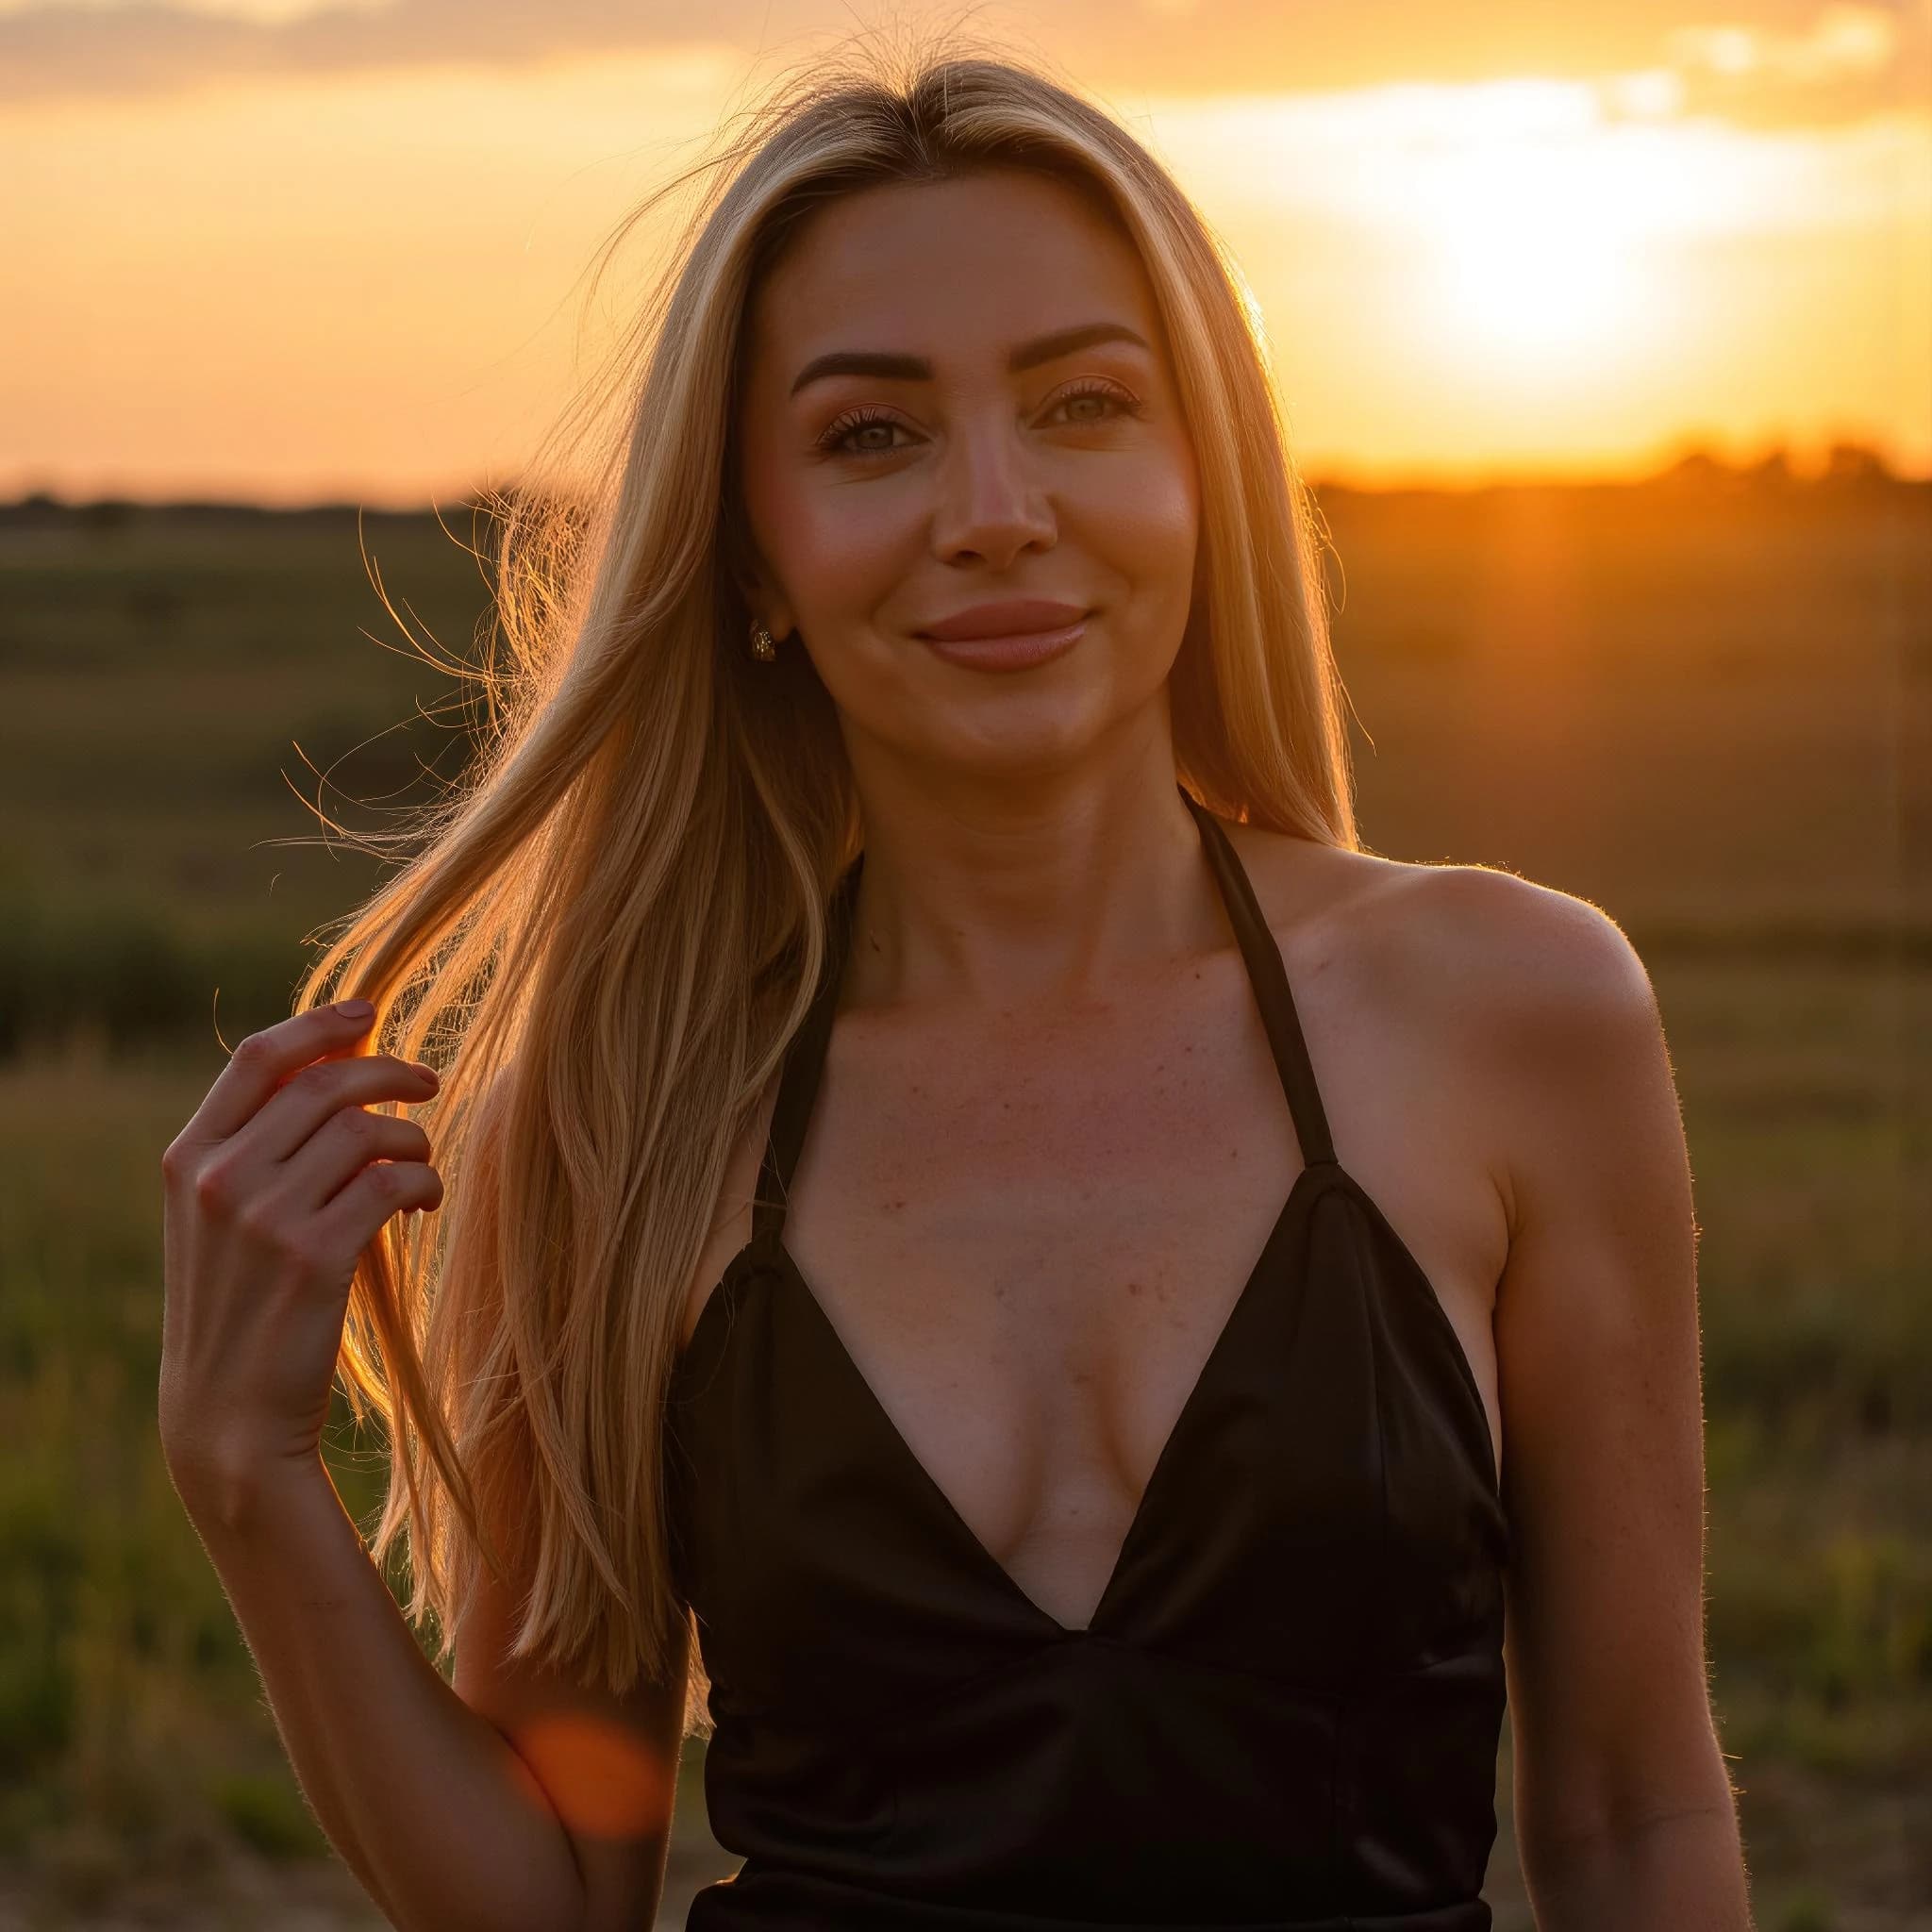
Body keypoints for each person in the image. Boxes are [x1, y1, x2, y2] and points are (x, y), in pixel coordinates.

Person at [158, 35, 1755, 1932]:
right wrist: (250, 1472)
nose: (992, 506)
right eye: (870, 433)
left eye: (1083, 404)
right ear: (754, 556)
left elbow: (1636, 1810)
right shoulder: (627, 1111)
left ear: (1201, 475)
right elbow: (552, 1888)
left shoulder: (1507, 1015)